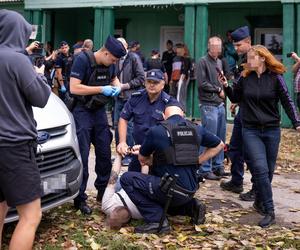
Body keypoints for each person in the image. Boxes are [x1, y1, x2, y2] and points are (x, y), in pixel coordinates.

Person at [219, 45, 300, 227]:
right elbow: (235, 98)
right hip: (251, 130)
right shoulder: (244, 78)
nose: (248, 61)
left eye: (252, 57)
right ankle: (270, 211)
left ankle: (259, 202)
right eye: (248, 57)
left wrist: (297, 122)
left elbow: (287, 101)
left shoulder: (276, 78)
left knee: (268, 172)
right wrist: (226, 86)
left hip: (272, 130)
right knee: (261, 169)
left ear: (263, 58)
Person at [120, 105, 224, 233]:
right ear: (183, 116)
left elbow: (143, 160)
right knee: (164, 194)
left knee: (127, 179)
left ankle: (157, 221)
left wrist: (145, 152)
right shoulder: (197, 129)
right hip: (189, 190)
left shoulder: (156, 131)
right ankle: (191, 207)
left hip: (169, 191)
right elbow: (219, 145)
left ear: (163, 116)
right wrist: (197, 161)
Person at [0, 9, 51, 249]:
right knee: (31, 216)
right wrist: (40, 75)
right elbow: (41, 98)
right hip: (15, 147)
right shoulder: (17, 59)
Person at [69, 35, 126, 214]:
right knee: (83, 155)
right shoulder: (82, 60)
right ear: (106, 52)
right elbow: (74, 87)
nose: (114, 62)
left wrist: (118, 86)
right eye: (114, 59)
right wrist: (102, 89)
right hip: (82, 111)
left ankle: (103, 193)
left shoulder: (110, 64)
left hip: (99, 111)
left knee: (103, 152)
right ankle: (80, 198)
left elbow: (114, 79)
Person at [220, 26, 257, 202]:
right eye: (234, 45)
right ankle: (236, 180)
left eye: (239, 44)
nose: (236, 48)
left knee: (251, 152)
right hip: (242, 110)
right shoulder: (242, 59)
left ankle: (257, 188)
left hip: (253, 114)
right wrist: (236, 100)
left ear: (248, 42)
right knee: (235, 147)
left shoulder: (256, 59)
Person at [117, 69, 178, 172]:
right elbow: (123, 118)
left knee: (156, 184)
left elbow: (175, 127)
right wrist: (122, 142)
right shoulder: (136, 98)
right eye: (149, 81)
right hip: (138, 149)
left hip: (159, 153)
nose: (151, 85)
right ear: (145, 83)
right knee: (131, 180)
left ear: (163, 85)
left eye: (155, 82)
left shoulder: (170, 103)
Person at [196, 36, 228, 180]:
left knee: (220, 138)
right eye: (214, 47)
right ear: (209, 47)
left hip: (220, 104)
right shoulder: (202, 61)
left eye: (219, 47)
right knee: (209, 137)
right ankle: (204, 168)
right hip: (208, 104)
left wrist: (224, 90)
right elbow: (202, 83)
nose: (217, 50)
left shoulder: (220, 62)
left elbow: (221, 81)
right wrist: (218, 90)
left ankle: (218, 166)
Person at [114, 37, 145, 166]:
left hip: (130, 98)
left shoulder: (133, 58)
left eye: (122, 45)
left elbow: (141, 78)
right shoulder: (114, 59)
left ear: (126, 46)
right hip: (118, 98)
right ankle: (120, 153)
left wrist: (124, 86)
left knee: (130, 127)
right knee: (117, 126)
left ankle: (129, 155)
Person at [102, 151, 143, 230]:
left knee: (115, 181)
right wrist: (143, 156)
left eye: (113, 213)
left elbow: (113, 178)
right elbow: (145, 177)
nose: (117, 212)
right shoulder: (140, 211)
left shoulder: (107, 205)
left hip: (121, 189)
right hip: (136, 188)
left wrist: (119, 154)